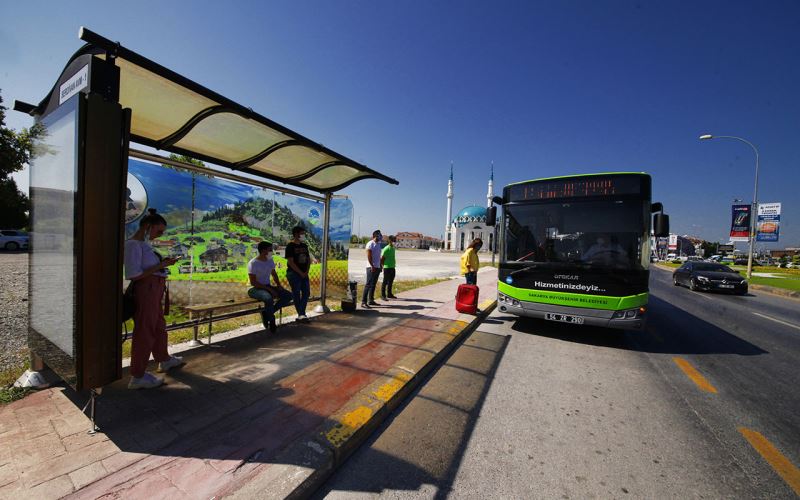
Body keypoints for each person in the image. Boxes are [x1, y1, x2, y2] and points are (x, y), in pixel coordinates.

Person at [124, 208, 185, 390]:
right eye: (159, 231)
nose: (160, 235)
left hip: (154, 291)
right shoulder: (133, 245)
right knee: (145, 331)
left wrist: (162, 264)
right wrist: (162, 264)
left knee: (158, 326)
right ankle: (137, 375)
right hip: (146, 292)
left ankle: (163, 359)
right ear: (148, 226)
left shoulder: (143, 244)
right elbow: (134, 275)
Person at [248, 241, 293, 332]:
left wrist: (279, 285)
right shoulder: (253, 263)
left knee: (289, 295)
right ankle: (272, 321)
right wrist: (269, 289)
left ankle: (267, 313)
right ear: (263, 250)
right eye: (270, 249)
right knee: (268, 298)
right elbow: (253, 282)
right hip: (254, 289)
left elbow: (274, 274)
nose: (272, 251)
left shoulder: (270, 260)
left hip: (267, 286)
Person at [285, 226, 311, 322]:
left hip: (304, 274)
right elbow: (291, 262)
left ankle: (301, 314)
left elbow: (308, 260)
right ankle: (302, 314)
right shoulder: (290, 246)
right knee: (296, 293)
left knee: (306, 293)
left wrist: (306, 272)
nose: (303, 235)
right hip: (294, 274)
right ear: (296, 234)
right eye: (302, 233)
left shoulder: (304, 246)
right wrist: (300, 273)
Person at [362, 230, 383, 308]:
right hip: (371, 267)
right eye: (379, 235)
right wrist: (372, 266)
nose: (381, 236)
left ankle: (371, 300)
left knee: (373, 284)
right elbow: (369, 256)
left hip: (377, 267)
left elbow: (378, 256)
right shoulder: (370, 244)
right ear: (375, 236)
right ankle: (363, 302)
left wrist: (380, 265)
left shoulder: (378, 244)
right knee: (368, 284)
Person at [381, 235, 397, 300]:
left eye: (395, 241)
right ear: (390, 240)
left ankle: (389, 294)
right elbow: (382, 259)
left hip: (392, 267)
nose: (394, 242)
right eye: (393, 240)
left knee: (391, 282)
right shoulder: (386, 248)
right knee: (385, 282)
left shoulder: (393, 248)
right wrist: (382, 266)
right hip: (387, 267)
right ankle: (383, 295)